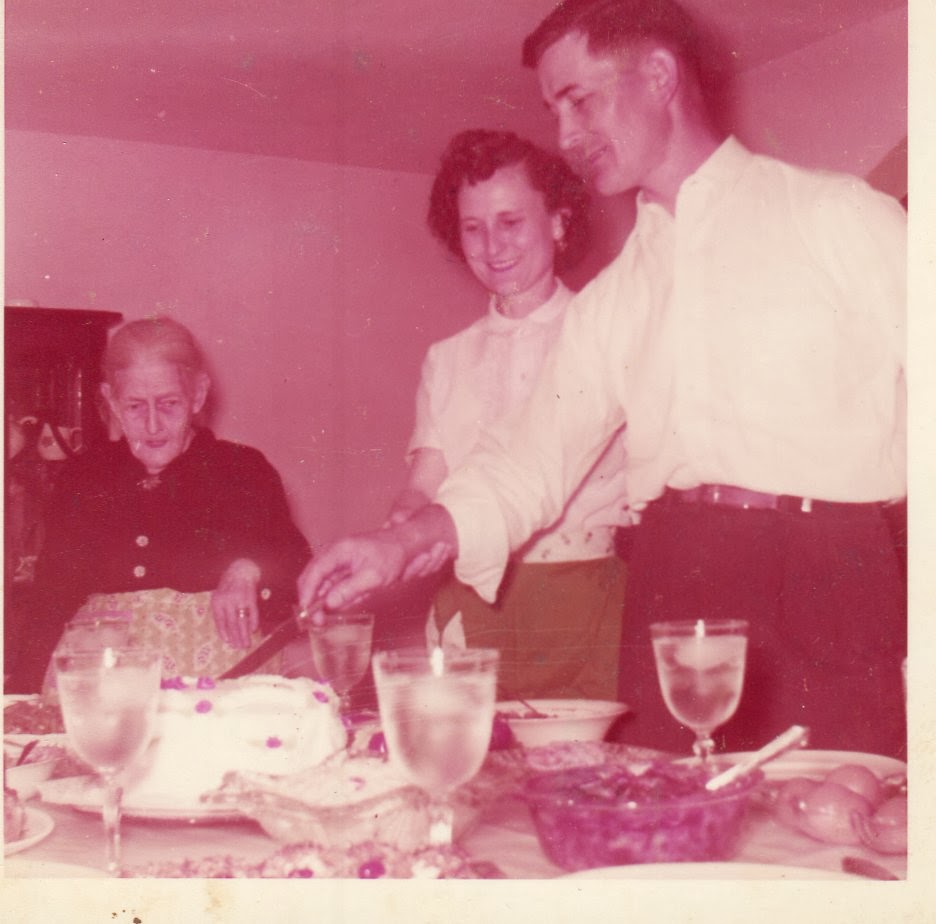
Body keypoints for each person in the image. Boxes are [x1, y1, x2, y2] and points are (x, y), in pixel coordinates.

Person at [298, 0, 906, 758]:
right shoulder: (617, 298)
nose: (564, 136)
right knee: (672, 848)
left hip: (829, 574)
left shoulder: (833, 216)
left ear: (658, 75)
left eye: (579, 100)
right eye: (553, 110)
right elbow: (529, 460)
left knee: (832, 842)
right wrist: (404, 544)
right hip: (671, 579)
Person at [386, 129, 630, 701]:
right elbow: (426, 484)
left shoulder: (605, 333)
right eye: (473, 227)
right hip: (471, 595)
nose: (493, 245)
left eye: (511, 221)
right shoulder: (446, 358)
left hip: (583, 596)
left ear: (559, 222)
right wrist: (396, 533)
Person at [7, 316, 311, 691]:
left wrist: (248, 569)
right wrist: (18, 702)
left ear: (198, 395)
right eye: (135, 406)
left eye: (168, 403)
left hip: (222, 687)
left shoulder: (242, 470)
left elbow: (296, 567)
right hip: (105, 691)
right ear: (111, 402)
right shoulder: (83, 477)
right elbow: (50, 600)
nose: (153, 426)